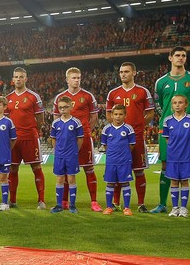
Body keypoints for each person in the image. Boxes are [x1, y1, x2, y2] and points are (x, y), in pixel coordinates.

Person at [152, 46, 190, 215]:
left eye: (183, 56)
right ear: (170, 58)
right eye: (177, 55)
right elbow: (158, 105)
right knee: (166, 166)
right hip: (167, 130)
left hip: (188, 131)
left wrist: (189, 121)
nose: (181, 58)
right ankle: (162, 204)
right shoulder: (161, 82)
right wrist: (169, 121)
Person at [105, 62, 155, 213]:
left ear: (134, 72)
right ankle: (115, 203)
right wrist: (118, 129)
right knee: (118, 171)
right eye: (121, 72)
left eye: (126, 71)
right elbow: (108, 114)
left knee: (139, 171)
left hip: (137, 137)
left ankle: (141, 204)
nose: (123, 74)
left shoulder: (142, 91)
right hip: (118, 141)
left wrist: (137, 127)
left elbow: (150, 113)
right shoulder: (113, 93)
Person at [51, 67, 101, 211]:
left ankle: (94, 202)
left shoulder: (88, 96)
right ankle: (64, 202)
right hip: (65, 142)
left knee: (89, 169)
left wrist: (84, 131)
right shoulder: (60, 98)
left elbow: (94, 117)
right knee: (66, 171)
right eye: (74, 78)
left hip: (83, 138)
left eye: (78, 77)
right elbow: (56, 119)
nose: (77, 80)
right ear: (67, 80)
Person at [5, 67, 46, 209]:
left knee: (36, 167)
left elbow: (40, 119)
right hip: (13, 140)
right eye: (16, 77)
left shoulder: (33, 96)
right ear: (12, 79)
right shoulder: (8, 98)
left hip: (30, 137)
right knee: (12, 168)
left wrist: (33, 131)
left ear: (26, 79)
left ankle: (41, 200)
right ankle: (13, 200)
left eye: (21, 77)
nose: (18, 79)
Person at [162, 95, 190, 217]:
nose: (177, 105)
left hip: (187, 156)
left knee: (185, 181)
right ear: (172, 105)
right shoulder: (167, 120)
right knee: (174, 181)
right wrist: (174, 150)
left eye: (180, 102)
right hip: (173, 156)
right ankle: (175, 208)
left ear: (186, 105)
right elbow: (168, 139)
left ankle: (183, 208)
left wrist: (189, 152)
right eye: (175, 103)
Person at [50, 96, 84, 214]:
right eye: (60, 108)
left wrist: (75, 151)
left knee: (71, 179)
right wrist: (57, 151)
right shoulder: (55, 123)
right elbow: (53, 139)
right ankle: (59, 205)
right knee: (59, 179)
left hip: (71, 155)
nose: (63, 110)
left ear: (71, 107)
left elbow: (80, 139)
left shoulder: (76, 122)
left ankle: (72, 205)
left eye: (65, 107)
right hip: (59, 156)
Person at [100, 105, 136, 216]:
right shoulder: (107, 129)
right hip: (111, 161)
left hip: (124, 161)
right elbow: (105, 145)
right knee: (110, 183)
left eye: (120, 114)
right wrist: (113, 154)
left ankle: (126, 208)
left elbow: (131, 145)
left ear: (125, 115)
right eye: (115, 114)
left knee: (125, 183)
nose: (118, 117)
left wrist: (123, 154)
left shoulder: (128, 129)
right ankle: (109, 207)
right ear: (111, 115)